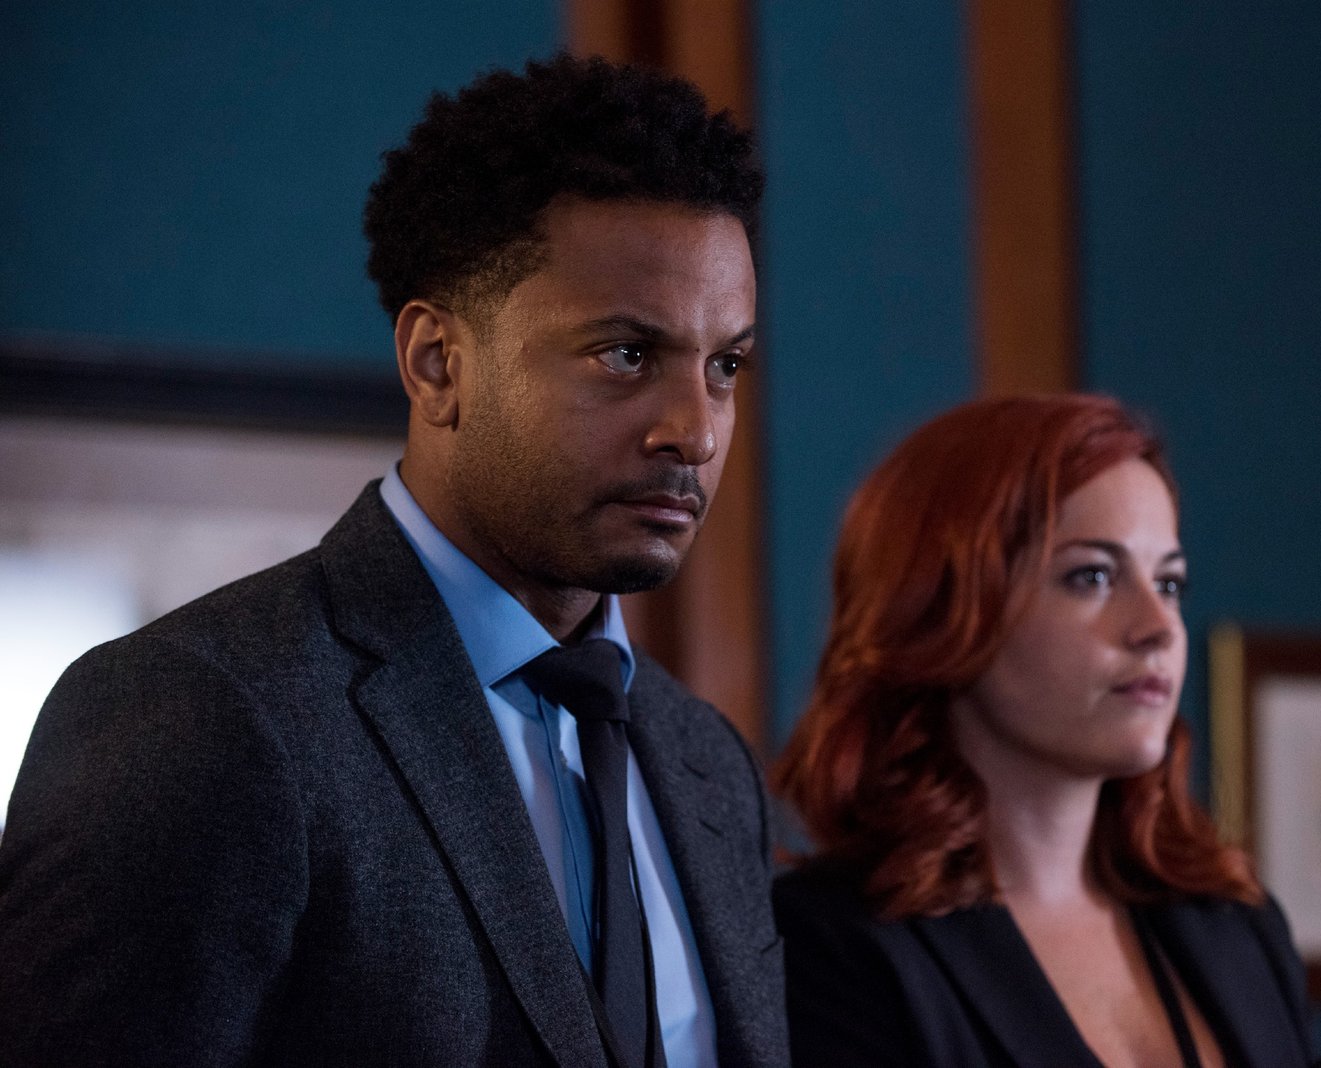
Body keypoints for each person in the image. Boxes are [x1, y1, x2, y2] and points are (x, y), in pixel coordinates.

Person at [0, 55, 785, 1068]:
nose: (696, 429)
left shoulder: (707, 766)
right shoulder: (200, 717)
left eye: (724, 365)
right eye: (625, 354)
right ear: (436, 363)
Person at [771, 394, 1321, 1068]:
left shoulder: (1239, 925)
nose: (1158, 627)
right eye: (1092, 576)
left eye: (1169, 584)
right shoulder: (828, 947)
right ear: (942, 608)